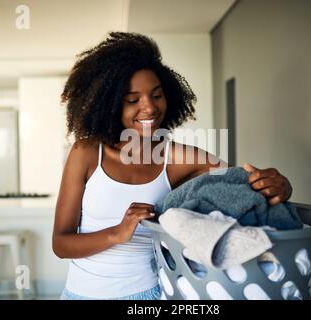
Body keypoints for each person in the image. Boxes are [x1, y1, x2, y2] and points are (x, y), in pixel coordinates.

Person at [52, 32, 293, 300]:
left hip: (149, 295)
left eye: (157, 95)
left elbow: (245, 188)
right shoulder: (86, 153)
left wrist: (280, 185)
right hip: (79, 294)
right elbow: (61, 243)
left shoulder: (177, 158)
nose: (150, 108)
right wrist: (118, 233)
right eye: (133, 100)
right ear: (108, 104)